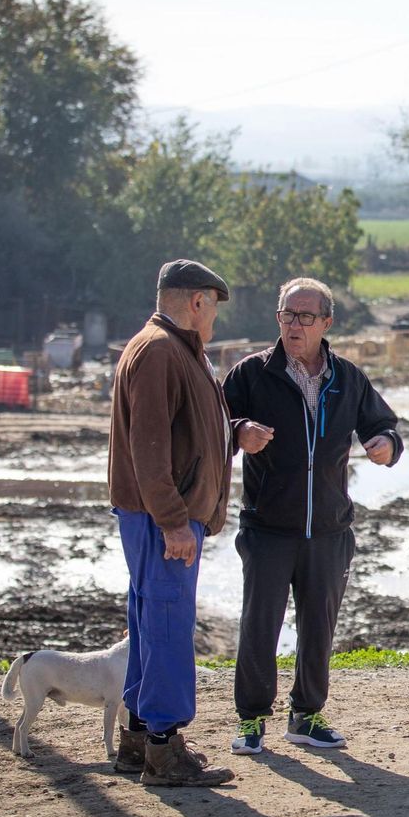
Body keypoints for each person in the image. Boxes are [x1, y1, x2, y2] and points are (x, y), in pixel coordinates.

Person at [107, 258, 272, 787]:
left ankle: (138, 741)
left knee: (151, 623)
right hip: (163, 519)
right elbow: (149, 450)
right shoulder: (160, 353)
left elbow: (189, 432)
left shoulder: (174, 350)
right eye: (213, 308)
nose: (215, 319)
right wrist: (175, 523)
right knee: (169, 625)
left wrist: (234, 436)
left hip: (156, 515)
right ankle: (165, 749)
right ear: (197, 301)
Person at [223, 277, 403, 755]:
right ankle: (251, 719)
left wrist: (386, 444)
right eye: (287, 315)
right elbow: (216, 424)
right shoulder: (250, 373)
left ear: (326, 323)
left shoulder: (348, 378)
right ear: (277, 319)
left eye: (306, 317)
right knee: (259, 624)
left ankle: (306, 715)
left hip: (328, 528)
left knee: (319, 627)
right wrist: (239, 431)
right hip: (267, 526)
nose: (295, 325)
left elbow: (382, 424)